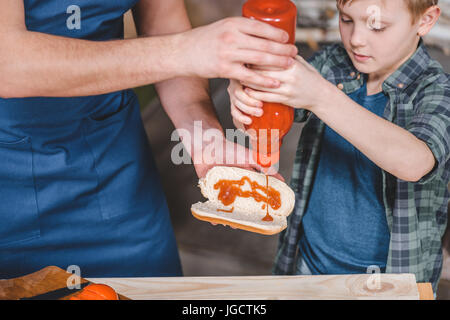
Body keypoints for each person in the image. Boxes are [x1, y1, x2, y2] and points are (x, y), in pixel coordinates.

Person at [0, 0, 298, 278]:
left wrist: (203, 134)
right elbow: (8, 64)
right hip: (10, 183)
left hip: (113, 166)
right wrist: (184, 51)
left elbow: (164, 26)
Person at [228, 0, 449, 293]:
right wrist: (247, 92)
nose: (356, 38)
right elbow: (272, 110)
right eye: (346, 20)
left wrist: (321, 96)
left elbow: (414, 162)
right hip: (308, 263)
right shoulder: (333, 62)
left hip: (389, 282)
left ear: (425, 20)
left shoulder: (436, 89)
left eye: (377, 25)